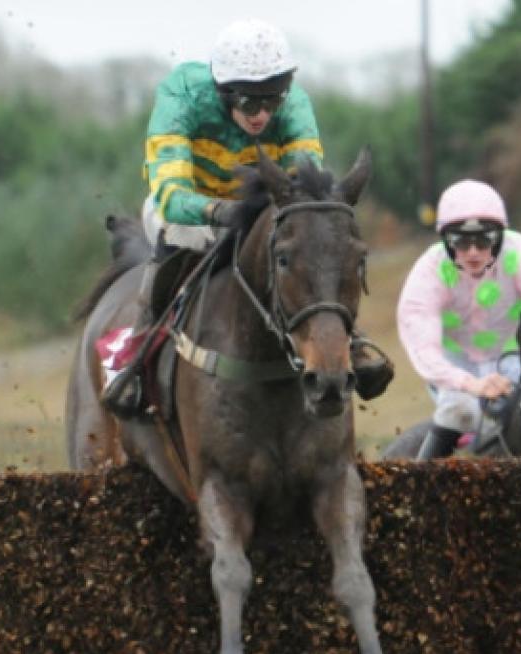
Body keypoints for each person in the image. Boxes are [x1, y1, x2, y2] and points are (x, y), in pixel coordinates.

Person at [102, 18, 391, 418]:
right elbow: (170, 195)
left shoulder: (294, 105)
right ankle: (138, 356)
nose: (261, 115)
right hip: (191, 207)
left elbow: (302, 187)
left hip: (259, 208)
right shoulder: (180, 95)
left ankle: (348, 342)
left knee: (307, 239)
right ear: (223, 92)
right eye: (248, 103)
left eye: (271, 101)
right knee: (182, 234)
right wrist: (220, 211)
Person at [396, 179, 521, 459]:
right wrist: (472, 385)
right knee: (461, 412)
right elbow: (424, 351)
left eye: (484, 240)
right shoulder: (427, 272)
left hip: (513, 359)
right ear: (446, 241)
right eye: (461, 241)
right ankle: (419, 487)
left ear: (499, 238)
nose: (473, 252)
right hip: (453, 364)